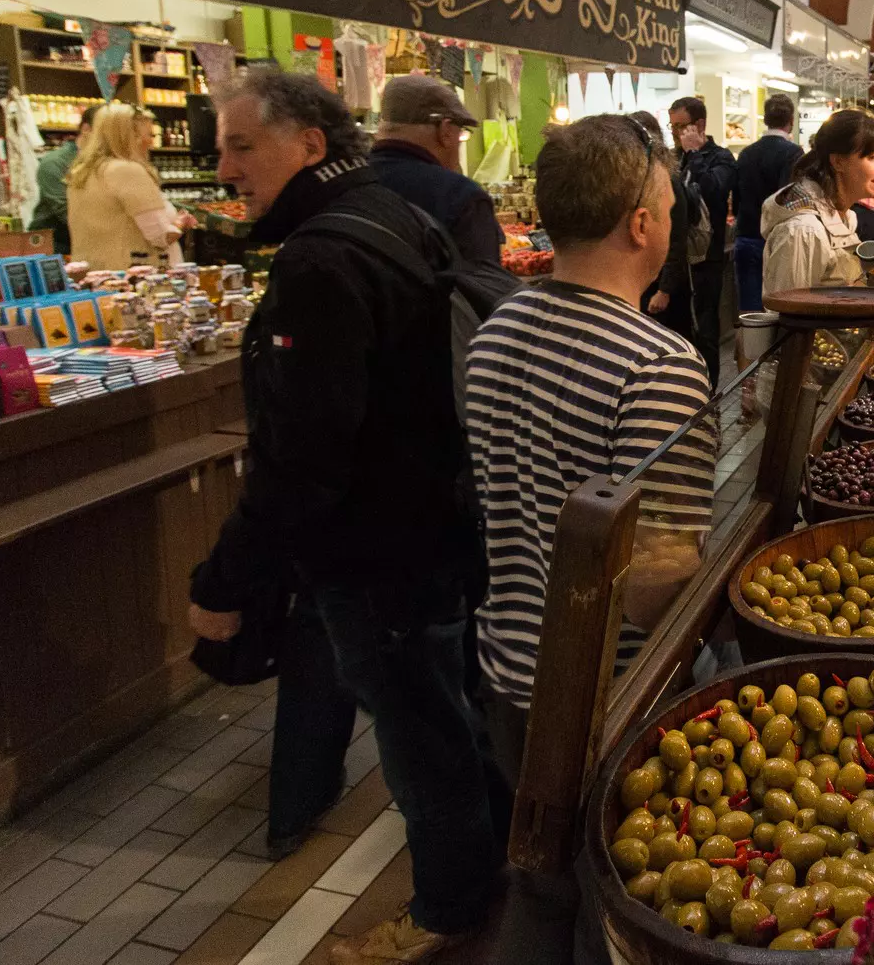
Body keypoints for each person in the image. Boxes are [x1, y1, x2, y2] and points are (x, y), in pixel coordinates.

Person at [186, 69, 500, 963]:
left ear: (310, 144)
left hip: (377, 552)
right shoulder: (393, 219)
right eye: (220, 148)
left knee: (421, 741)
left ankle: (447, 916)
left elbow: (303, 455)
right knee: (450, 719)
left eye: (242, 145)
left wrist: (225, 580)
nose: (226, 167)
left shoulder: (323, 257)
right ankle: (488, 875)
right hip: (434, 529)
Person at [465, 117, 715, 965]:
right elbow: (655, 581)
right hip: (601, 699)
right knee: (607, 917)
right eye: (668, 205)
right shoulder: (658, 365)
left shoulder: (494, 330)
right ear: (640, 225)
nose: (673, 220)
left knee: (538, 886)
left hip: (507, 671)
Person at [367, 74, 502, 266]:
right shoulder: (461, 197)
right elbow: (486, 290)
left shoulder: (345, 182)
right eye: (461, 133)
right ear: (445, 130)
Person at [763, 110, 874, 297]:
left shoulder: (847, 215)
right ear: (838, 162)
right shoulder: (803, 231)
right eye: (872, 157)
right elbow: (789, 315)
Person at [66, 104, 190, 270]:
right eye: (148, 135)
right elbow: (161, 237)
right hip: (132, 279)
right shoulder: (127, 171)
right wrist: (181, 223)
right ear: (130, 136)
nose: (151, 142)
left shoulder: (82, 172)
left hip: (94, 275)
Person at [667, 96, 735, 385]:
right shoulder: (672, 158)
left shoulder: (721, 157)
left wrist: (694, 155)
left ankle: (710, 391)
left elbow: (715, 191)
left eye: (681, 127)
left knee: (705, 328)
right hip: (675, 259)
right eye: (672, 127)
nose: (676, 133)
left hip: (706, 258)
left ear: (700, 124)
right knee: (677, 328)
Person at [730, 94, 801, 315]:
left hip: (746, 235)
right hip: (777, 239)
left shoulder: (746, 153)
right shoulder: (793, 153)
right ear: (791, 120)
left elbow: (737, 196)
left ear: (765, 119)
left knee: (750, 312)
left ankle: (750, 350)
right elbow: (788, 199)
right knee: (779, 307)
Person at [632, 110, 696, 343]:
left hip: (667, 286)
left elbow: (676, 240)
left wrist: (665, 290)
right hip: (651, 281)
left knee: (673, 340)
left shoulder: (667, 181)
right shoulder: (645, 179)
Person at [30, 104, 98, 256]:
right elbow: (67, 212)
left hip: (88, 246)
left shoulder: (104, 163)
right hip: (56, 247)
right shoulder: (55, 163)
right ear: (86, 129)